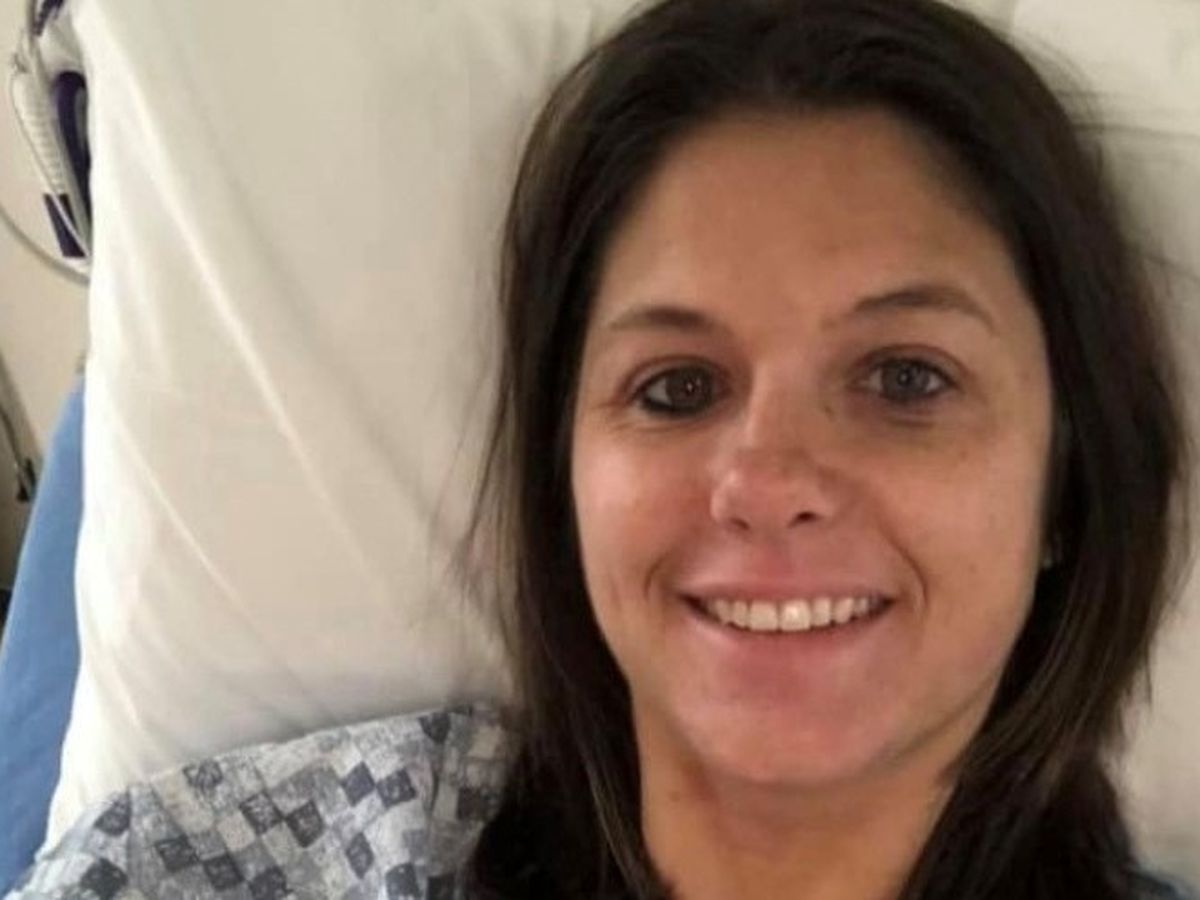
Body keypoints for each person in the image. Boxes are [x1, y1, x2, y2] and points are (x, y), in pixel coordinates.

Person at [8, 0, 1195, 898]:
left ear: (1068, 480)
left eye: (906, 378)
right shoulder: (233, 864)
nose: (769, 482)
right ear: (566, 481)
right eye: (676, 388)